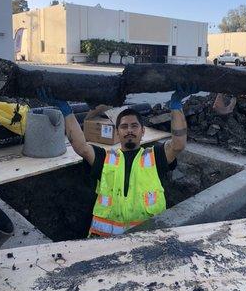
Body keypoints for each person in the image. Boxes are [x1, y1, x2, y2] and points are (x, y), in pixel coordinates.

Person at [38, 84, 198, 237]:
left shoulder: (154, 157)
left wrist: (176, 106)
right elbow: (81, 147)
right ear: (117, 132)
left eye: (134, 126)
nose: (129, 130)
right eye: (124, 126)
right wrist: (67, 111)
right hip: (105, 244)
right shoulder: (106, 159)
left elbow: (178, 144)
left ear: (143, 131)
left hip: (147, 244)